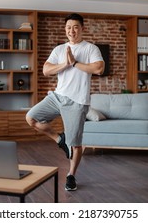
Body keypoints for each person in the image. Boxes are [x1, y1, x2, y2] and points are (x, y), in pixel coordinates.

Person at [26, 13, 104, 191]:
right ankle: (59, 139)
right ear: (65, 30)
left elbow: (99, 68)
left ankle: (71, 176)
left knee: (75, 143)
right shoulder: (59, 49)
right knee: (31, 118)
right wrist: (65, 64)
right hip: (57, 96)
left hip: (77, 101)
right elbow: (46, 70)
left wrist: (75, 63)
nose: (72, 30)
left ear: (82, 29)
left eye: (75, 27)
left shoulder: (90, 48)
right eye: (68, 27)